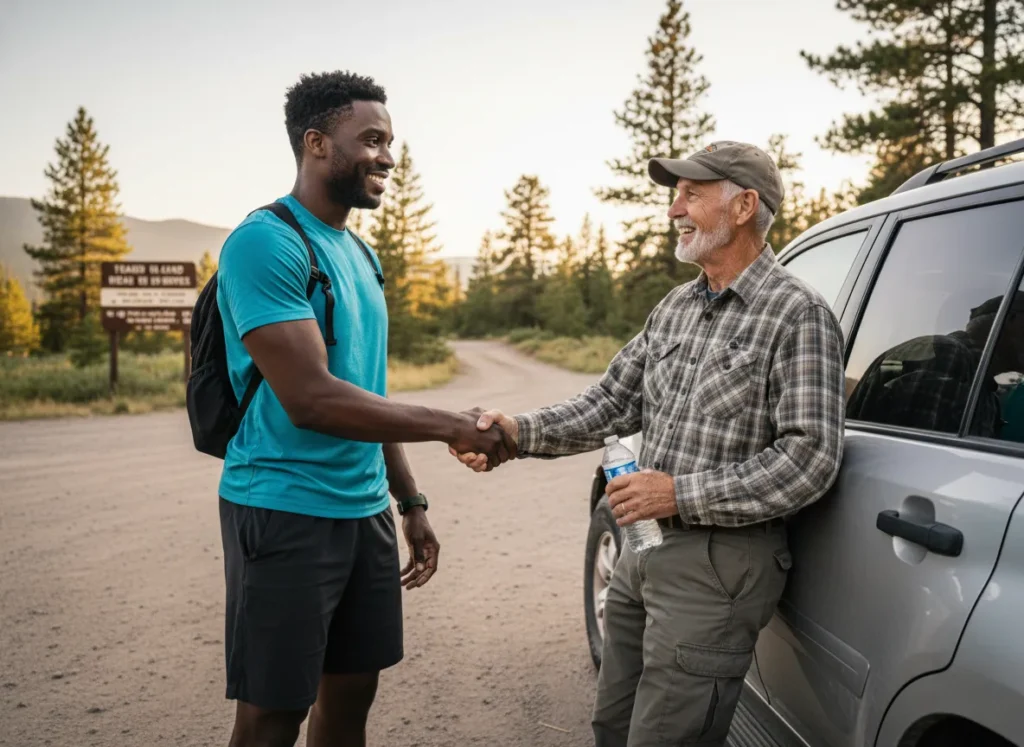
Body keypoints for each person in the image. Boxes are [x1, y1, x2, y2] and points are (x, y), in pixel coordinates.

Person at [453, 141, 846, 746]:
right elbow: (610, 402)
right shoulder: (676, 308)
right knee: (612, 723)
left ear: (743, 206)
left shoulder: (798, 314)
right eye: (676, 195)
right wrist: (516, 431)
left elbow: (809, 457)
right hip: (641, 549)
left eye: (691, 194)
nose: (673, 210)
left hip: (717, 567)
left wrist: (680, 494)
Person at [214, 71, 515, 747]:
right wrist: (448, 424)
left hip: (362, 513)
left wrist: (409, 503)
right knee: (272, 714)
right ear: (316, 143)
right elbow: (312, 399)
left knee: (351, 696)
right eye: (371, 139)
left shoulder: (360, 253)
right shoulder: (266, 242)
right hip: (283, 508)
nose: (387, 155)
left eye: (391, 141)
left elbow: (367, 396)